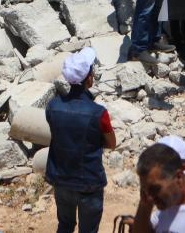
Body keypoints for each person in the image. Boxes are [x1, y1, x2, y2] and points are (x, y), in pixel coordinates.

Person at [46, 48, 117, 233]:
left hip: (61, 179)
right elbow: (111, 143)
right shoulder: (99, 113)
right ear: (89, 79)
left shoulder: (52, 107)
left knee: (65, 225)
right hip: (89, 183)